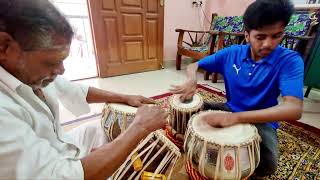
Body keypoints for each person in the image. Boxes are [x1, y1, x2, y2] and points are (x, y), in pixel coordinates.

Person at [0, 0, 168, 179]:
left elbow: (73, 89)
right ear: (4, 46)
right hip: (54, 169)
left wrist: (125, 97)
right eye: (52, 62)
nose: (61, 70)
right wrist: (140, 127)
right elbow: (58, 176)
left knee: (99, 129)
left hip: (61, 144)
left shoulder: (28, 73)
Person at [170, 0, 303, 177]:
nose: (268, 44)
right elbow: (193, 66)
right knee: (188, 107)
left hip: (262, 120)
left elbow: (293, 109)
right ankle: (200, 140)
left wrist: (235, 118)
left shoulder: (290, 60)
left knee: (267, 165)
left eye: (277, 36)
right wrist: (192, 80)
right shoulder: (232, 53)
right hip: (231, 108)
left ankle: (202, 144)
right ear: (247, 35)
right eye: (260, 37)